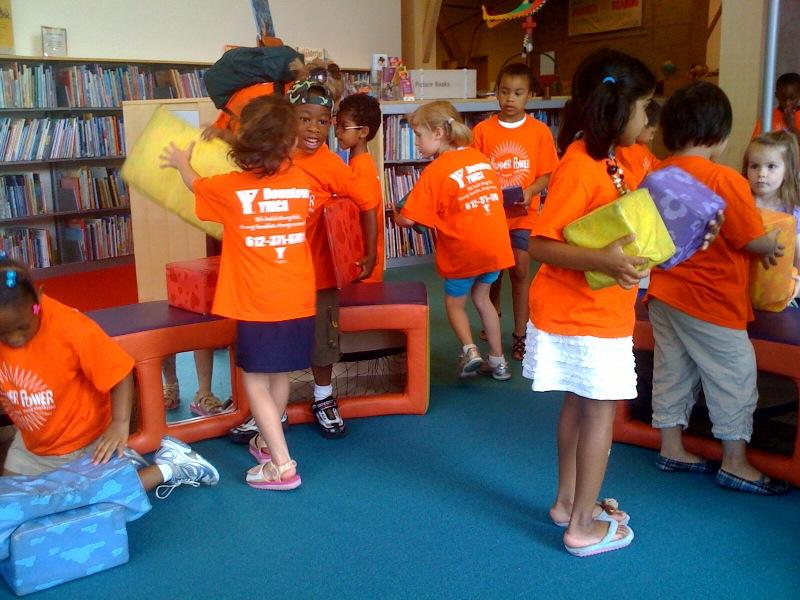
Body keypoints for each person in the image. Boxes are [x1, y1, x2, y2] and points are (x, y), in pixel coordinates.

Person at [525, 49, 657, 556]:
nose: (647, 120)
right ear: (617, 109)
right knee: (598, 412)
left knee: (580, 405)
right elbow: (541, 244)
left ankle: (567, 504)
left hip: (595, 310)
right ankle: (581, 526)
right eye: (643, 108)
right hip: (582, 314)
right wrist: (600, 258)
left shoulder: (615, 158)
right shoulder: (580, 167)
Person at [161, 94, 316, 490]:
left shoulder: (229, 189)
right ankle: (266, 441)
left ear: (244, 143)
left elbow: (195, 184)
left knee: (254, 381)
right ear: (290, 142)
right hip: (297, 297)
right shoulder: (302, 182)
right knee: (279, 373)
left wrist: (181, 161)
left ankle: (282, 465)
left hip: (257, 301)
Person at [648, 81, 788, 495]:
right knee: (733, 375)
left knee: (672, 370)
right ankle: (735, 462)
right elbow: (749, 239)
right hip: (711, 301)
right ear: (720, 136)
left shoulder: (656, 174)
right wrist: (771, 244)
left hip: (665, 294)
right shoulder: (725, 179)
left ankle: (671, 447)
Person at [0, 255, 219, 500]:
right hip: (31, 446)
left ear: (38, 300)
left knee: (89, 500)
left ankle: (171, 466)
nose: (15, 339)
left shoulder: (71, 328)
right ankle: (122, 465)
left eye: (22, 328)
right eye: (4, 334)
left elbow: (121, 373)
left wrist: (119, 424)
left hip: (82, 442)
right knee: (9, 505)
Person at [395, 100, 515, 380]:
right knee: (483, 299)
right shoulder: (480, 158)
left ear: (438, 133)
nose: (416, 142)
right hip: (496, 247)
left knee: (454, 304)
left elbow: (410, 220)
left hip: (465, 251)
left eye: (419, 135)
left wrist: (397, 217)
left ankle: (470, 350)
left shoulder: (435, 170)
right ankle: (499, 362)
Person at [288, 78, 380, 439]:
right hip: (279, 272)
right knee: (275, 337)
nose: (314, 128)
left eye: (323, 121)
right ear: (290, 119)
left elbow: (368, 203)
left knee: (323, 338)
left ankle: (323, 397)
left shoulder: (332, 165)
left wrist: (369, 252)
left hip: (320, 272)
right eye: (305, 119)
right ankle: (269, 407)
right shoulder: (274, 156)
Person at [471, 63, 559, 361]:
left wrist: (531, 191)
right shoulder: (482, 131)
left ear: (530, 96)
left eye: (518, 93)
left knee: (520, 270)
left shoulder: (539, 131)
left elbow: (547, 173)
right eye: (504, 92)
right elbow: (475, 170)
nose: (510, 98)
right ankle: (493, 314)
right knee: (492, 273)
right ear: (496, 93)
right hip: (491, 217)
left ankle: (521, 334)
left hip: (524, 215)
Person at [335, 92, 385, 283]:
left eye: (344, 127)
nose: (337, 132)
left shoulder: (361, 168)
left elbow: (368, 211)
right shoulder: (359, 162)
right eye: (336, 125)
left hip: (365, 261)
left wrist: (370, 257)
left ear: (363, 132)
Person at [745, 130, 800, 275]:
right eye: (754, 166)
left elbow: (798, 255)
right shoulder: (740, 203)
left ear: (787, 171)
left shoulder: (791, 212)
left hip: (776, 282)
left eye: (771, 166)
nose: (761, 174)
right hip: (739, 279)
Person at [617, 99, 660, 187]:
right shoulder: (625, 149)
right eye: (652, 132)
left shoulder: (642, 146)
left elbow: (655, 162)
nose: (652, 138)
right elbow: (636, 183)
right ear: (643, 126)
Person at [752, 72, 800, 138]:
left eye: (792, 99)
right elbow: (756, 142)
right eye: (783, 99)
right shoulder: (768, 117)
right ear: (777, 95)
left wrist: (792, 126)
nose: (787, 103)